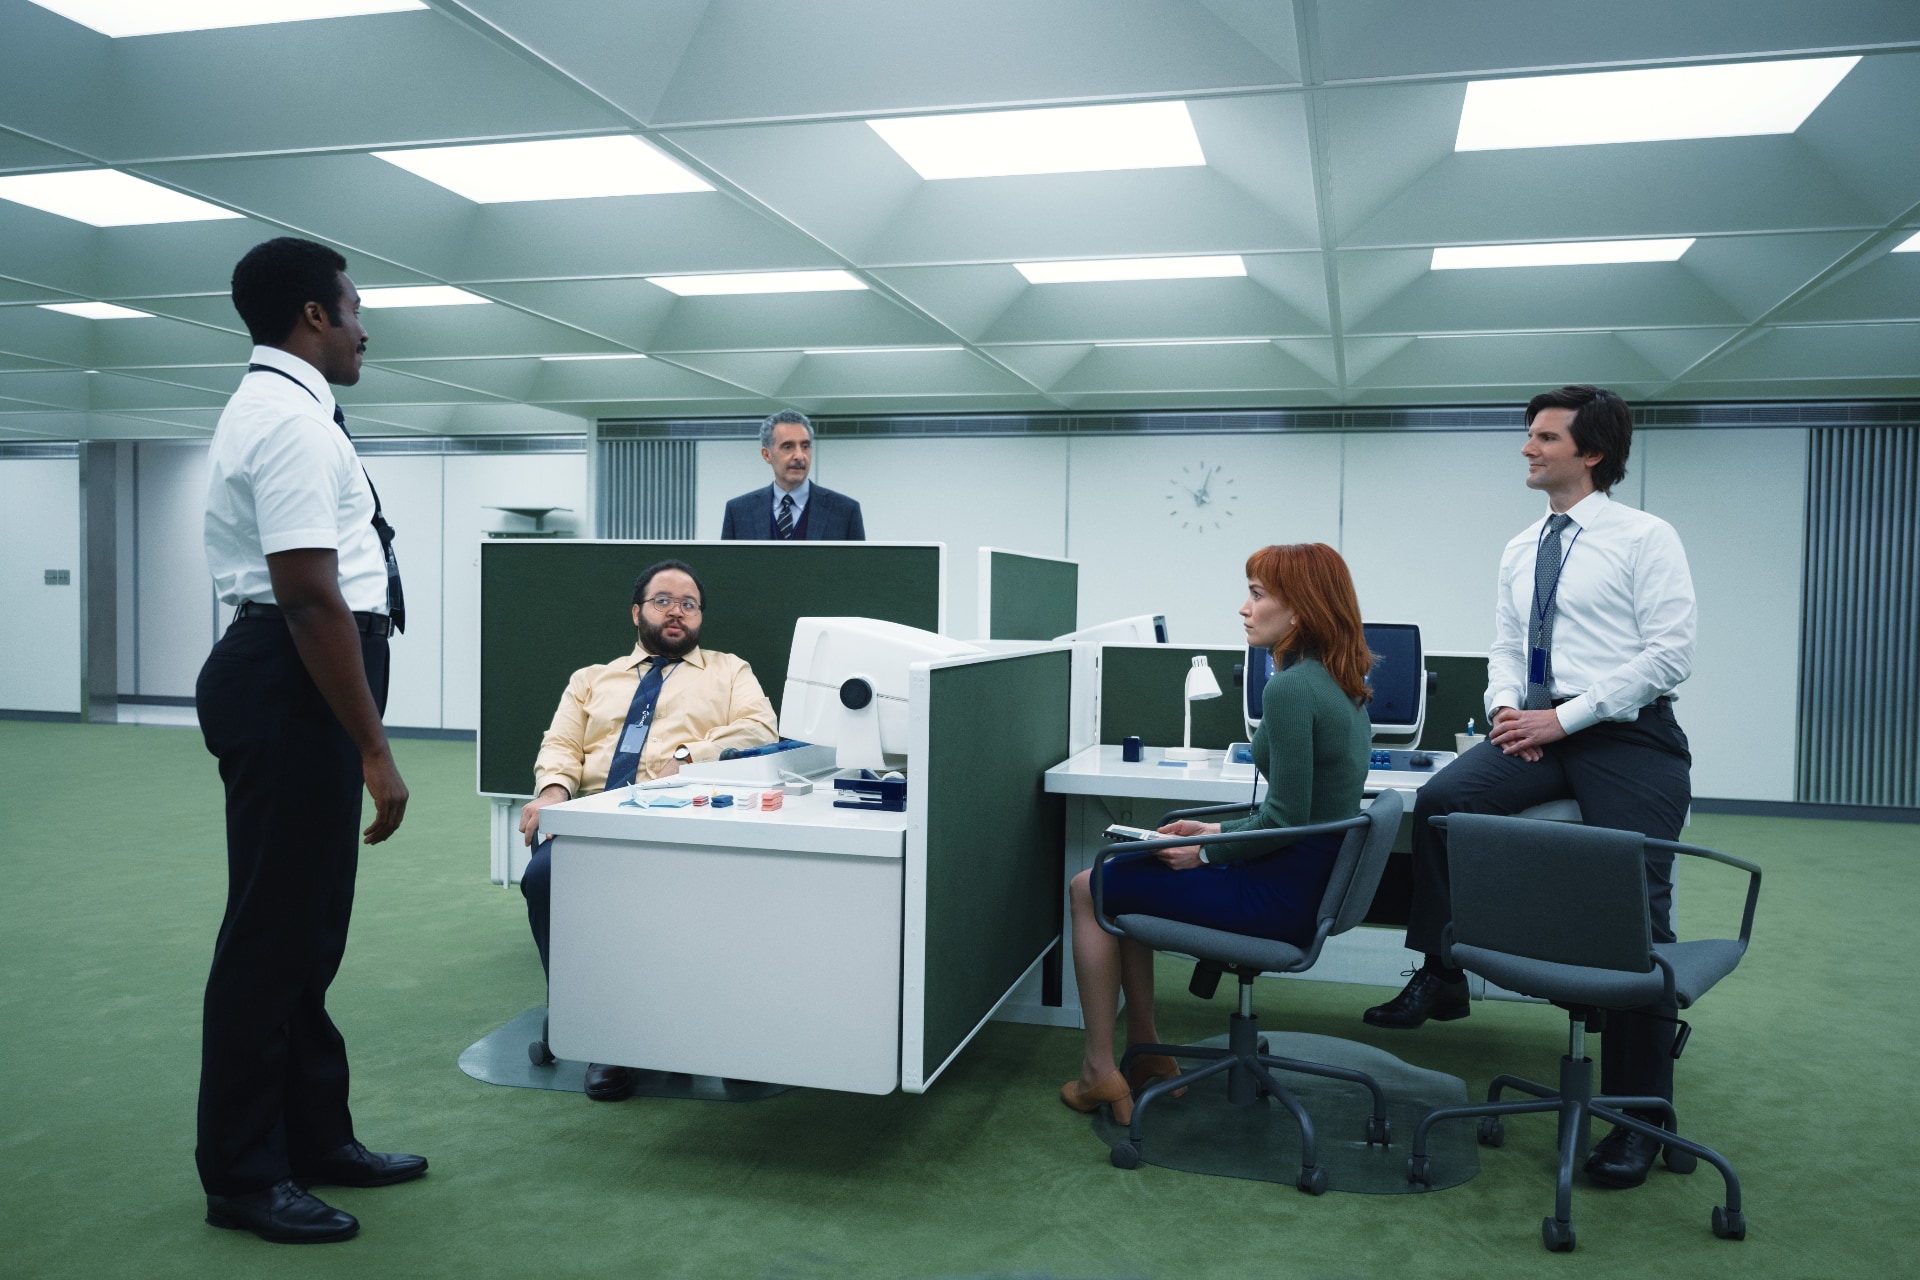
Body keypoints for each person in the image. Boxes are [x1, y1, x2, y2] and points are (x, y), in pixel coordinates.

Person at [1362, 384, 1695, 1191]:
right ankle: (1443, 970)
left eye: (1545, 438)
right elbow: (1506, 646)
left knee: (1636, 909)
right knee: (1440, 804)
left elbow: (1669, 655)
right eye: (1530, 436)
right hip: (1534, 727)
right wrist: (1506, 708)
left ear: (1592, 454)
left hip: (1626, 734)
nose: (1527, 448)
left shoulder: (1646, 538)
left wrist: (1567, 720)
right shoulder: (1522, 547)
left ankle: (1640, 1116)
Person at [195, 237, 423, 1245]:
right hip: (294, 687)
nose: (367, 324)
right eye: (356, 305)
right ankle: (245, 1173)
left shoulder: (294, 410)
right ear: (315, 316)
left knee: (308, 932)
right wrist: (374, 746)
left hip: (303, 682)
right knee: (271, 936)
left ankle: (313, 1136)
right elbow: (306, 593)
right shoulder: (286, 421)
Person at [1060, 543, 1375, 1123]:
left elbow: (1286, 820)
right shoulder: (1345, 685)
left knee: (1091, 884)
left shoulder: (1289, 690)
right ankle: (1148, 1053)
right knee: (1135, 871)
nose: (1244, 608)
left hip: (1279, 895)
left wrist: (1206, 851)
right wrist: (1213, 829)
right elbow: (1300, 813)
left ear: (1299, 611)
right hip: (1306, 878)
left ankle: (1097, 1070)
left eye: (1257, 595)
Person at [518, 559, 779, 1099]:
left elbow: (759, 729)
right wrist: (553, 794)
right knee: (543, 877)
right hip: (597, 820)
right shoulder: (590, 679)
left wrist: (689, 755)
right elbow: (562, 746)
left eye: (689, 603)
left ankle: (715, 1029)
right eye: (664, 600)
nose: (677, 611)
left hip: (685, 819)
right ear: (637, 612)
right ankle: (600, 1031)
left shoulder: (730, 671)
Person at [719, 409, 865, 540]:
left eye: (805, 446)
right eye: (788, 447)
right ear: (766, 454)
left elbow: (859, 569)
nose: (799, 456)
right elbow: (725, 568)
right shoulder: (738, 511)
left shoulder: (845, 511)